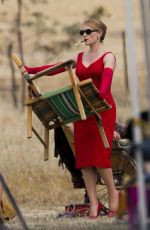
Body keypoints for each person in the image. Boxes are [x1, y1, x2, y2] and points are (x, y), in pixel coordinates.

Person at [25, 18, 119, 219]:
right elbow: (55, 67)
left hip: (102, 108)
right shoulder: (79, 57)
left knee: (101, 156)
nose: (84, 35)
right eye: (82, 32)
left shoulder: (108, 56)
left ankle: (114, 195)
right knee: (84, 158)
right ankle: (93, 203)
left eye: (88, 31)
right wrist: (30, 71)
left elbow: (107, 81)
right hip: (82, 110)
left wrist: (99, 95)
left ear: (100, 33)